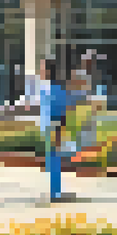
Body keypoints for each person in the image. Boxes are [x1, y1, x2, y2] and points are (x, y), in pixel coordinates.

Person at [37, 58, 71, 203]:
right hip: (50, 127)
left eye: (43, 68)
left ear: (49, 71)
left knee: (54, 160)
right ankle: (54, 191)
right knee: (52, 160)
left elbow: (60, 111)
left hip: (53, 127)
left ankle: (55, 192)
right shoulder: (47, 88)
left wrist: (58, 131)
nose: (41, 71)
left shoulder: (54, 89)